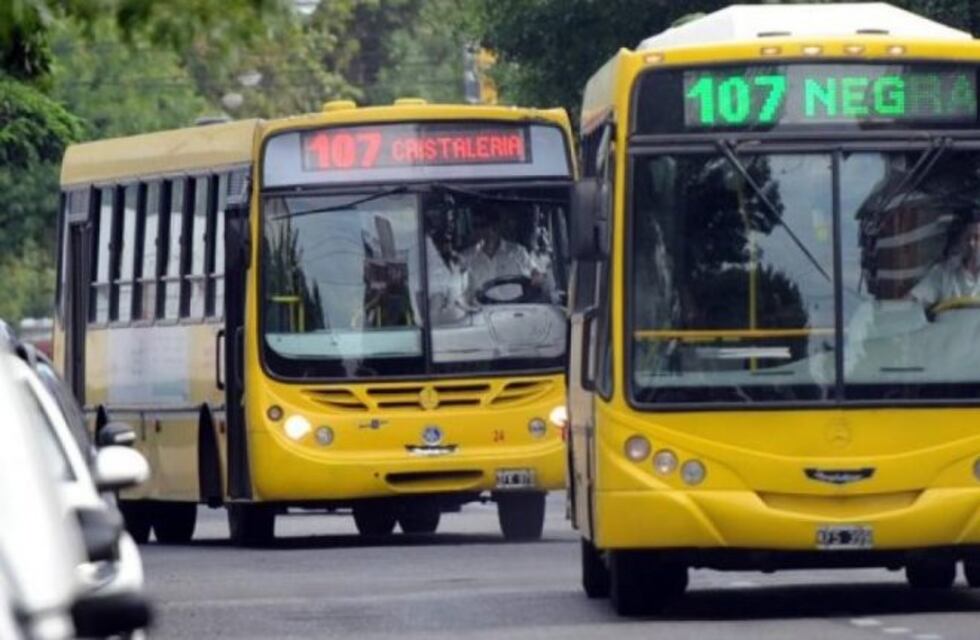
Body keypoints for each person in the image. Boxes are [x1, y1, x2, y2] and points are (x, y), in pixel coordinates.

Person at [461, 204, 549, 303]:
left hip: (515, 310)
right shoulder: (466, 257)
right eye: (478, 226)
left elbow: (537, 274)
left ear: (497, 226)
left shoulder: (518, 252)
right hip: (480, 313)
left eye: (487, 225)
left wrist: (537, 277)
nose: (485, 231)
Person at [908, 212, 980, 309]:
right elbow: (913, 300)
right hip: (951, 323)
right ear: (960, 240)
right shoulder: (942, 272)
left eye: (977, 238)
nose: (971, 243)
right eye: (967, 238)